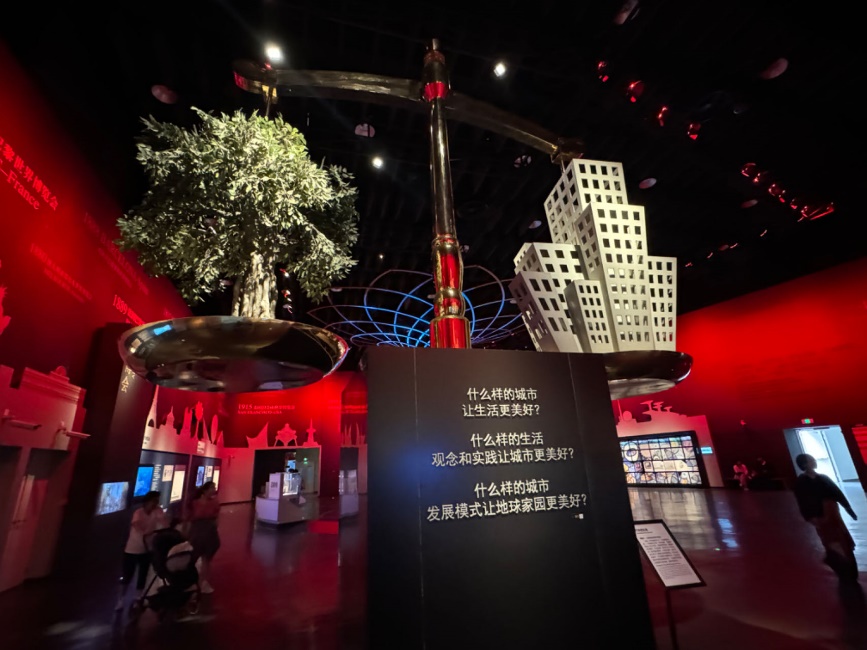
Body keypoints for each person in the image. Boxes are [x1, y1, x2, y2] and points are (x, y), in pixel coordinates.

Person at [794, 453, 859, 581]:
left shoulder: (823, 478)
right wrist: (810, 517)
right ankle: (842, 569)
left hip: (833, 515)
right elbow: (802, 501)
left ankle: (850, 569)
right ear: (805, 464)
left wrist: (849, 509)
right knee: (831, 542)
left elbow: (838, 494)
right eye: (811, 460)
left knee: (842, 541)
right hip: (821, 517)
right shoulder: (801, 482)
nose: (814, 461)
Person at [116, 491, 166, 610]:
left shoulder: (157, 512)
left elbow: (164, 523)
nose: (156, 503)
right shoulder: (138, 512)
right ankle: (121, 599)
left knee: (142, 576)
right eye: (154, 500)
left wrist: (162, 518)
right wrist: (147, 532)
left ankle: (138, 598)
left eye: (157, 501)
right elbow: (137, 525)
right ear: (148, 501)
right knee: (127, 576)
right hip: (132, 549)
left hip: (147, 550)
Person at [186, 480, 221, 594]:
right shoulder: (195, 503)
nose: (214, 490)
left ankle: (203, 582)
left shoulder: (214, 503)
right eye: (212, 488)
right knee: (193, 557)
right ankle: (191, 582)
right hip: (198, 533)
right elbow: (189, 519)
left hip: (209, 533)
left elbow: (216, 518)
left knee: (206, 559)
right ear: (205, 490)